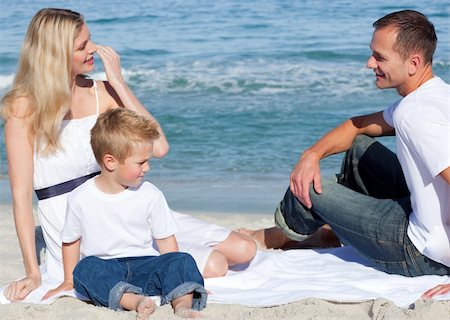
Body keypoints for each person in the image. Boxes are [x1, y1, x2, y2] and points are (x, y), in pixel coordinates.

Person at [1, 8, 255, 302]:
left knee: (244, 249)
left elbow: (158, 146)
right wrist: (33, 272)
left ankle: (258, 235)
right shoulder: (23, 107)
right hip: (80, 221)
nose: (93, 49)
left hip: (125, 202)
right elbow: (21, 199)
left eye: (90, 40)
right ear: (55, 54)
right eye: (82, 46)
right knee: (217, 265)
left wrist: (118, 83)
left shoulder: (102, 93)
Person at [241, 9, 450, 283]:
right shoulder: (436, 93)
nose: (369, 63)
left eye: (380, 57)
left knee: (310, 187)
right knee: (359, 150)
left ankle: (282, 235)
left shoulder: (415, 116)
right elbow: (359, 125)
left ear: (413, 63)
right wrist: (311, 155)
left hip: (420, 253)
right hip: (423, 216)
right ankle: (326, 230)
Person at [43, 108, 206, 319]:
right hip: (106, 268)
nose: (147, 168)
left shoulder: (150, 194)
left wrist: (178, 277)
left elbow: (166, 242)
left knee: (182, 260)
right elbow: (71, 241)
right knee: (84, 269)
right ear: (110, 161)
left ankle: (183, 305)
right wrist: (67, 280)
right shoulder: (80, 197)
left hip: (146, 265)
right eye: (140, 162)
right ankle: (135, 301)